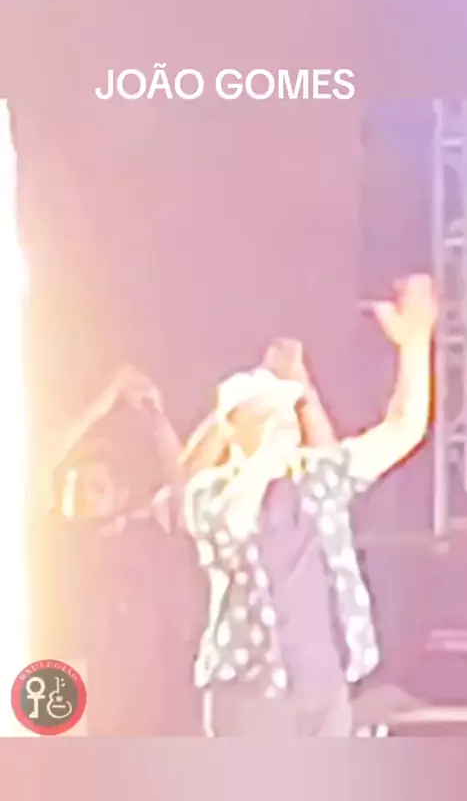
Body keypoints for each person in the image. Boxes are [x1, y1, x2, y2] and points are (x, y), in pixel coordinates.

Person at [182, 274, 436, 737]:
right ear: (233, 426)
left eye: (287, 410)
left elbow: (403, 429)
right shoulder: (210, 492)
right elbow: (232, 524)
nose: (284, 420)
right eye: (268, 412)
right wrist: (264, 459)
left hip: (325, 689)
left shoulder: (317, 479)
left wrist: (415, 343)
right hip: (251, 695)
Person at [44, 365, 208, 736]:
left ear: (120, 496)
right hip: (78, 695)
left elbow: (181, 486)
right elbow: (45, 464)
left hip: (151, 699)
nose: (83, 497)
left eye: (96, 488)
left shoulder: (146, 534)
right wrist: (106, 401)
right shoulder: (58, 542)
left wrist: (155, 418)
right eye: (75, 487)